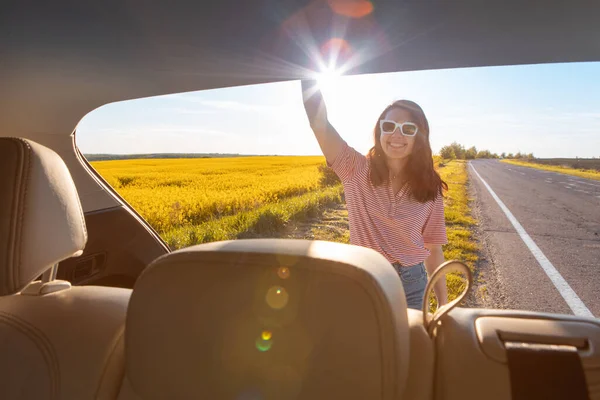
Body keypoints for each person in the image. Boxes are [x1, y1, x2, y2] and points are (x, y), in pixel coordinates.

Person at [301, 79, 448, 309]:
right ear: (379, 131)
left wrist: (444, 303)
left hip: (414, 283)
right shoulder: (354, 168)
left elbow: (434, 248)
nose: (396, 135)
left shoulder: (430, 186)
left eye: (408, 129)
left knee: (411, 342)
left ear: (419, 138)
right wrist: (305, 71)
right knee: (367, 343)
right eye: (389, 126)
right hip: (366, 278)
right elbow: (319, 123)